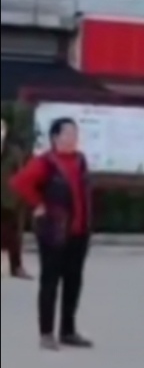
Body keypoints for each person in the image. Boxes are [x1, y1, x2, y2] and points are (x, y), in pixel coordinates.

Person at [10, 118, 93, 350]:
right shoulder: (45, 162)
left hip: (79, 231)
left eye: (75, 133)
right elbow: (19, 182)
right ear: (55, 137)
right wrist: (38, 203)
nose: (73, 138)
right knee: (50, 281)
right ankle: (46, 333)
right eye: (68, 134)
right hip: (54, 230)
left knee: (73, 281)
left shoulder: (80, 160)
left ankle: (68, 330)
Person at [1, 117, 31, 279]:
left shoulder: (14, 152)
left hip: (8, 200)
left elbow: (21, 174)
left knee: (13, 236)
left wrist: (18, 195)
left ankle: (16, 267)